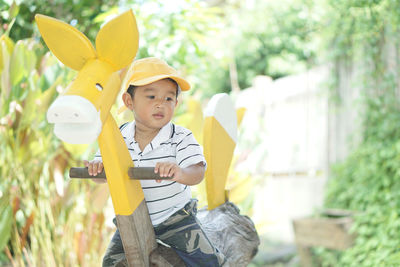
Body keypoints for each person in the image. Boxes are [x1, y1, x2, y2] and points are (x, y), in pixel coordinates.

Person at [84, 57, 226, 267]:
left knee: (208, 261)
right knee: (110, 262)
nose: (161, 104)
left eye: (169, 99)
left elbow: (197, 171)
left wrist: (180, 173)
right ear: (129, 101)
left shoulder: (180, 137)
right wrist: (96, 171)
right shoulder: (118, 136)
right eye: (151, 96)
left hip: (174, 219)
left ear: (176, 104)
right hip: (131, 221)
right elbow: (102, 174)